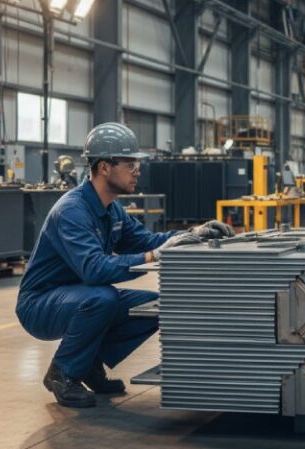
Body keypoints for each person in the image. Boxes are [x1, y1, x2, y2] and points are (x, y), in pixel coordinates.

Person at [15, 122, 234, 408]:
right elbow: (94, 270)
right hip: (41, 303)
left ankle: (88, 364)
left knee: (156, 306)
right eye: (130, 163)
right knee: (102, 297)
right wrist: (154, 256)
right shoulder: (72, 211)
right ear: (104, 167)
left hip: (76, 295)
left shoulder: (111, 208)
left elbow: (145, 240)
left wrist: (192, 233)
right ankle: (63, 373)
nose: (137, 170)